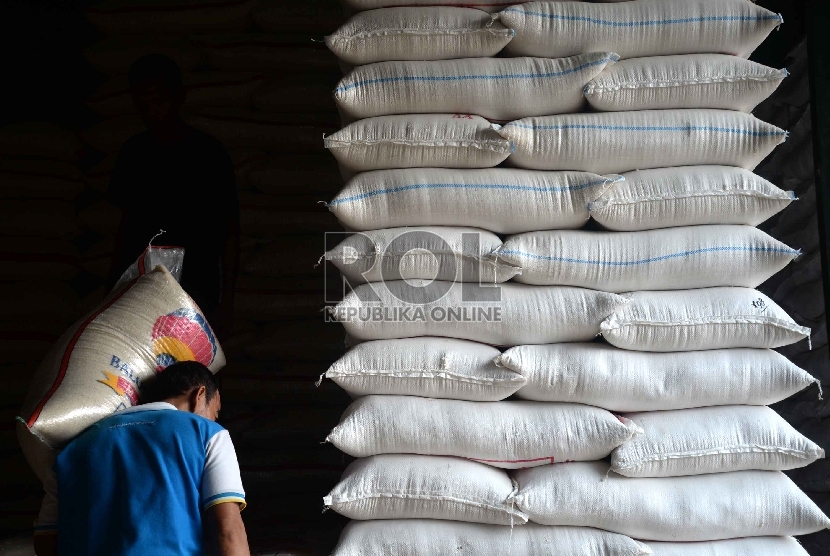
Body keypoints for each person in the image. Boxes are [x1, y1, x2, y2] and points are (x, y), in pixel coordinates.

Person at [33, 362, 250, 556]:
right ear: (199, 395)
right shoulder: (208, 433)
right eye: (215, 411)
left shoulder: (71, 450)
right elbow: (228, 530)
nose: (214, 418)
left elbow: (46, 540)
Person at [104, 53, 239, 337]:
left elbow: (229, 231)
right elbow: (123, 225)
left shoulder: (207, 154)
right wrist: (112, 289)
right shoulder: (134, 153)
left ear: (179, 97)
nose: (152, 111)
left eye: (159, 100)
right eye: (143, 103)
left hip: (195, 282)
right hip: (141, 283)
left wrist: (227, 302)